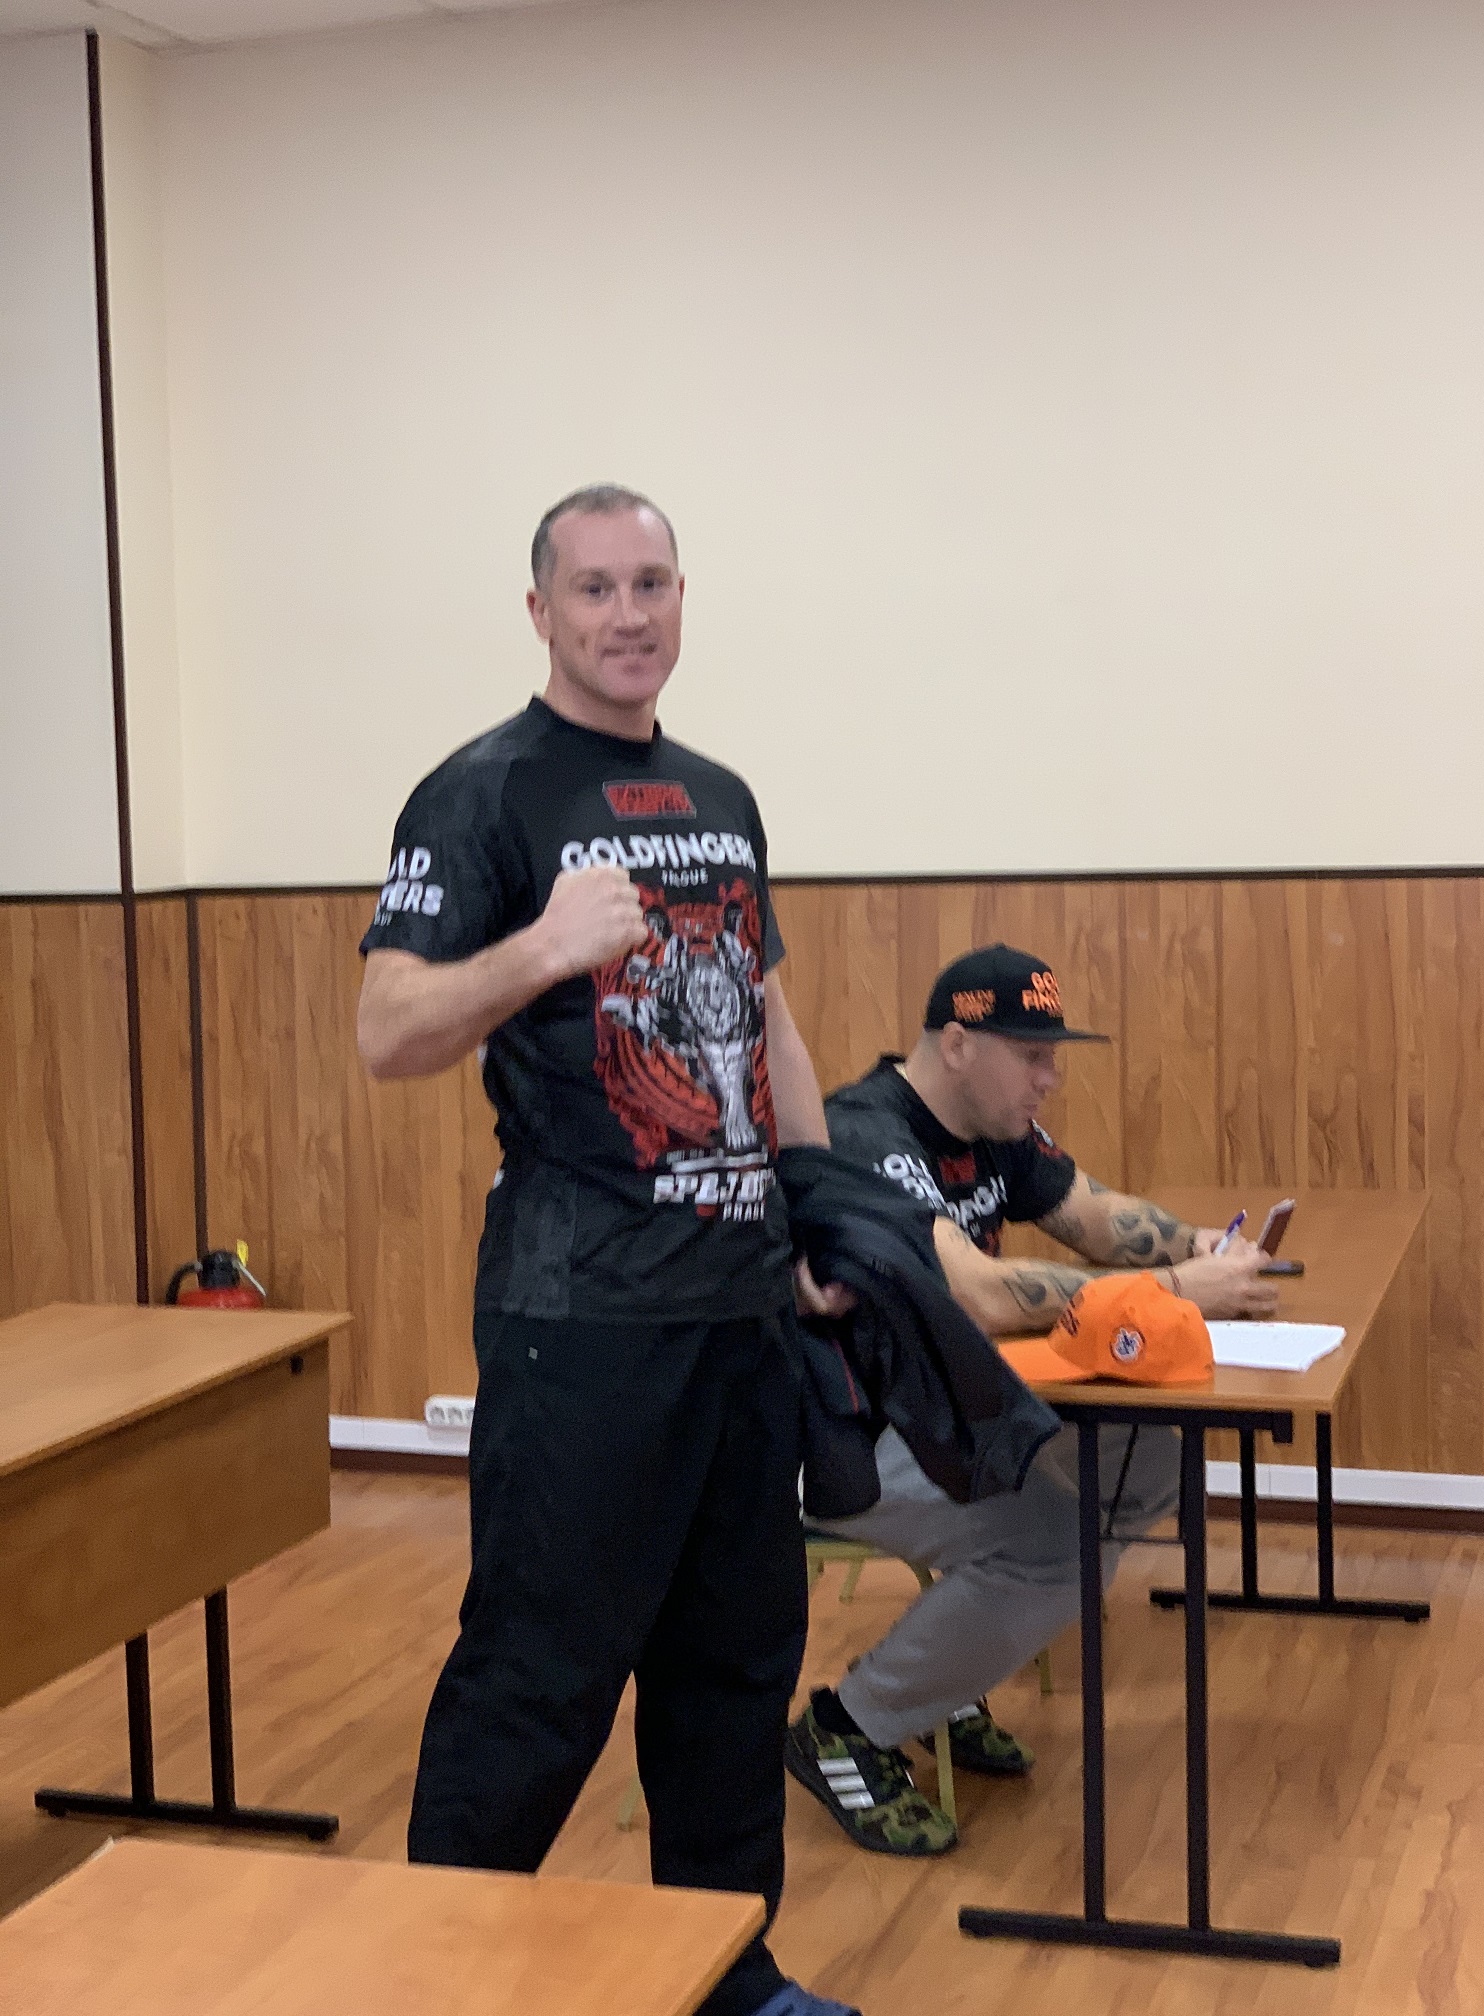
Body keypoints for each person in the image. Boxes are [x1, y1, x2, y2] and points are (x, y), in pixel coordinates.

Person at [357, 485, 858, 2016]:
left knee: (732, 1673)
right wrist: (544, 948)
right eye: (594, 589)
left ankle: (729, 1976)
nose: (628, 615)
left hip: (738, 1316)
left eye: (652, 584)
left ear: (682, 598)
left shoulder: (722, 795)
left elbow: (765, 1018)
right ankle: (435, 1985)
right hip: (579, 1324)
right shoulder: (482, 794)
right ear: (541, 612)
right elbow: (388, 1030)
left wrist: (822, 1213)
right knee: (538, 1678)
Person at [785, 942, 1278, 1857]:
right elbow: (977, 1294)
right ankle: (849, 1726)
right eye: (1033, 1056)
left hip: (941, 1415)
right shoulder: (867, 1137)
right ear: (958, 1045)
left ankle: (948, 1665)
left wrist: (1205, 1247)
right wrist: (1177, 1290)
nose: (1050, 1078)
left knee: (1152, 1457)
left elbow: (1093, 1216)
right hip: (836, 1438)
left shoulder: (996, 1129)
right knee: (1060, 1547)